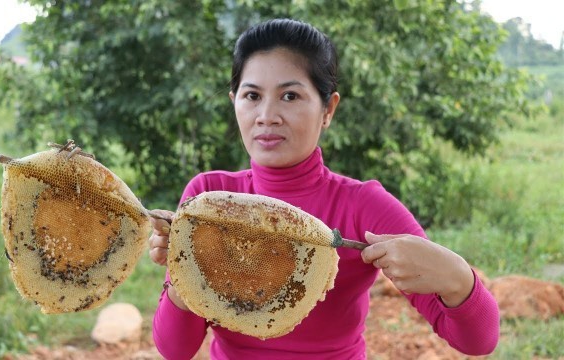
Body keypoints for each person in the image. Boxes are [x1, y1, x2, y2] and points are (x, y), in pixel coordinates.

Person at [148, 18, 499, 359]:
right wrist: (185, 271)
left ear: (328, 109)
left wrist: (458, 279)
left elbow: (478, 342)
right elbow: (174, 349)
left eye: (290, 96)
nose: (266, 115)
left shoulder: (363, 207)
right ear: (234, 101)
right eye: (252, 95)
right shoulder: (208, 198)